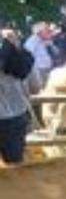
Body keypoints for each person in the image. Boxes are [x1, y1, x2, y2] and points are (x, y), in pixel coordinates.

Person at [0, 30, 36, 165]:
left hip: (13, 117)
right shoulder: (21, 55)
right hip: (16, 116)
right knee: (15, 166)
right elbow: (35, 85)